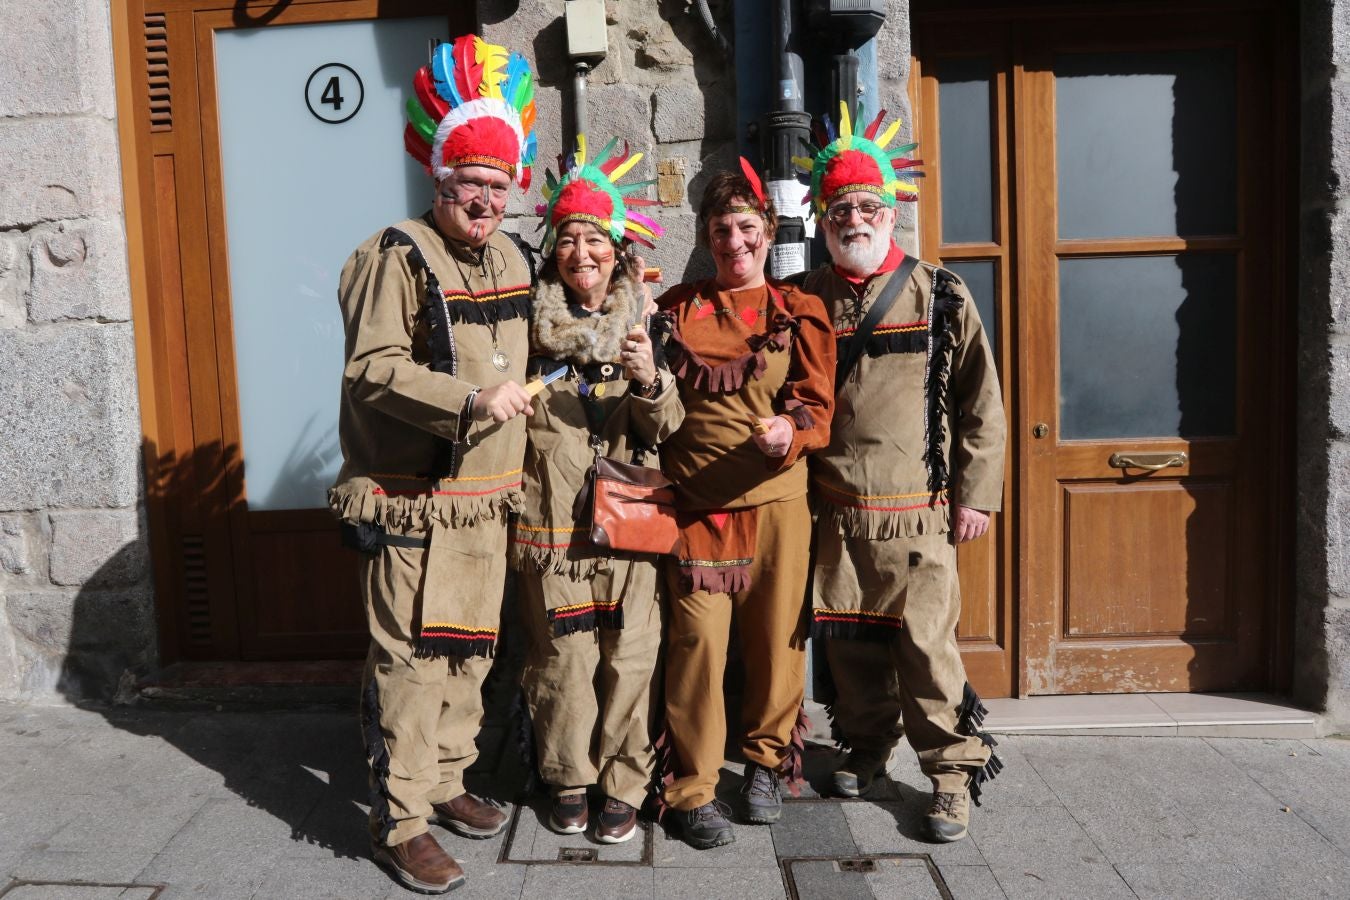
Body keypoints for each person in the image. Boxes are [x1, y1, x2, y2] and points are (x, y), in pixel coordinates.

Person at [329, 35, 539, 894]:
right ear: (438, 179)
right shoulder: (397, 252)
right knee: (410, 669)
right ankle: (400, 820)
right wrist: (469, 402)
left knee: (468, 655)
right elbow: (373, 367)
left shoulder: (512, 257)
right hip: (414, 505)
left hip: (485, 506)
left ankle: (448, 782)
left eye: (498, 186)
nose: (484, 200)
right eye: (469, 185)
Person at [797, 104, 1006, 843]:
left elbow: (982, 399)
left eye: (867, 205)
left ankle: (951, 776)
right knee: (850, 648)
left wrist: (978, 497)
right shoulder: (805, 297)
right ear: (823, 219)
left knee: (925, 650)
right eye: (840, 207)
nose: (854, 217)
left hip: (918, 512)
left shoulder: (939, 293)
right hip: (836, 515)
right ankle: (866, 747)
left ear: (890, 212)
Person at [656, 162, 836, 850]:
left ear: (767, 233)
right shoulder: (677, 307)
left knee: (777, 645)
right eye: (722, 230)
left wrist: (792, 429)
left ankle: (764, 765)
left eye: (747, 228)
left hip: (781, 508)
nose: (735, 242)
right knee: (697, 646)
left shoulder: (801, 312)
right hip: (698, 512)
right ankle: (691, 789)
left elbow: (820, 406)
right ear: (707, 236)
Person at [509, 136, 684, 844]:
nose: (583, 254)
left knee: (632, 656)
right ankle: (568, 777)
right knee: (561, 662)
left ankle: (625, 780)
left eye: (596, 241)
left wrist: (648, 380)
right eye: (569, 241)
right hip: (550, 525)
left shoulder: (649, 320)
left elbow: (669, 426)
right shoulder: (525, 326)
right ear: (553, 251)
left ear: (618, 249)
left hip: (630, 525)